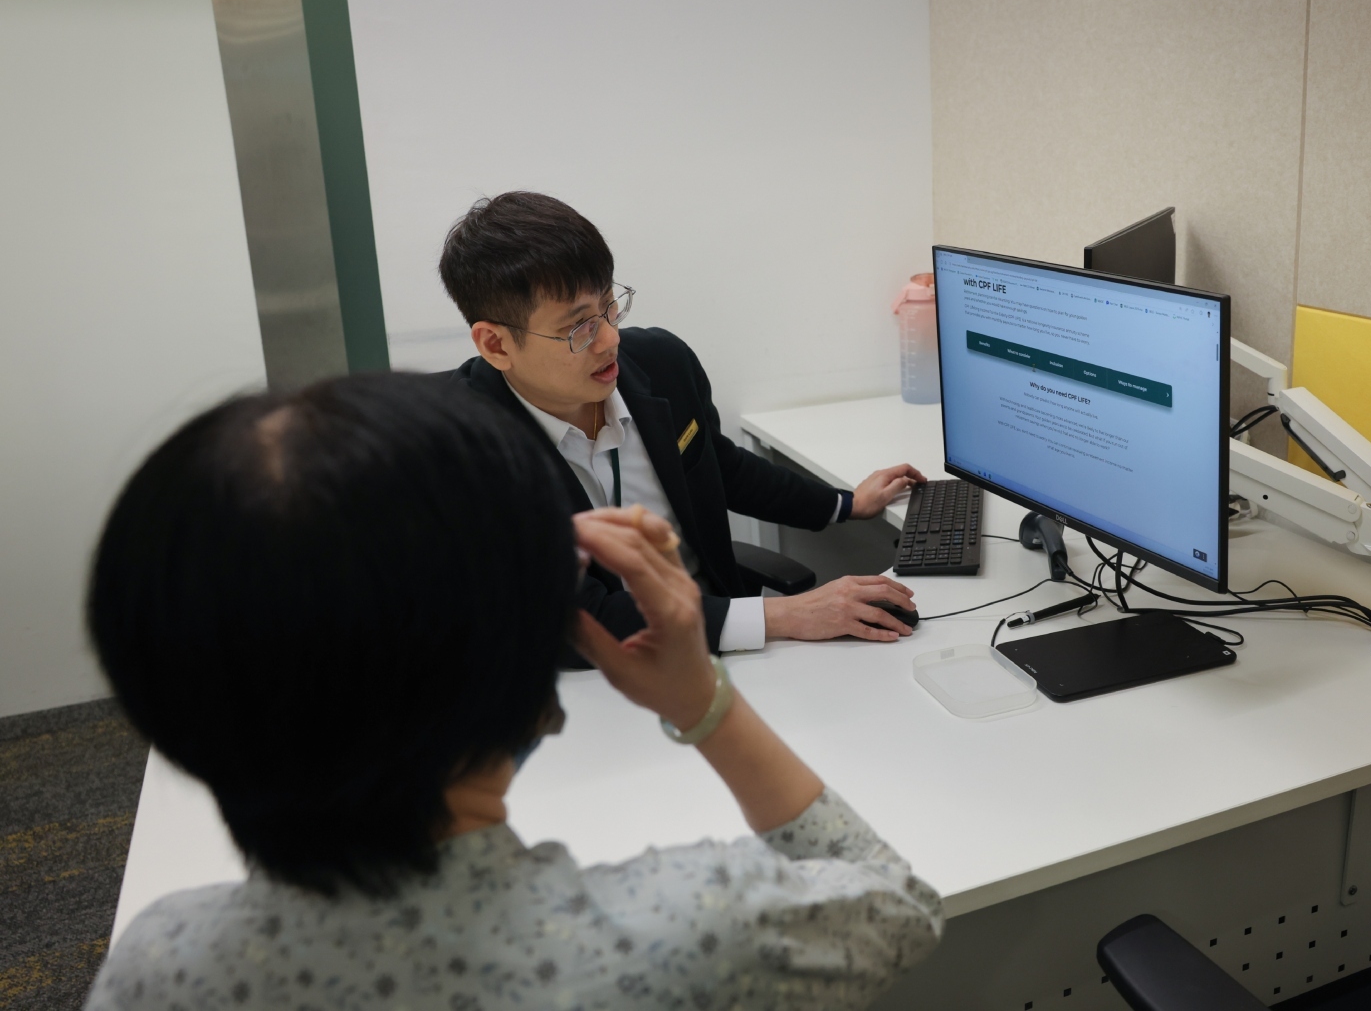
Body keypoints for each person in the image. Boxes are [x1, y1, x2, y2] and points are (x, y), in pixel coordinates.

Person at [84, 374, 943, 1011]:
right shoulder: (693, 928)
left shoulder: (158, 965)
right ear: (528, 680)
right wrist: (704, 701)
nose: (602, 336)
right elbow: (895, 906)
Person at [440, 191, 927, 654]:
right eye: (579, 327)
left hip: (714, 643)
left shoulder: (661, 364)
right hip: (594, 675)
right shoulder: (459, 452)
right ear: (496, 345)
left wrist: (845, 504)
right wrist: (782, 616)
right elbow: (573, 617)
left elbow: (720, 468)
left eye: (609, 306)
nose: (610, 339)